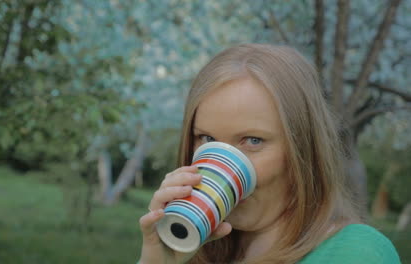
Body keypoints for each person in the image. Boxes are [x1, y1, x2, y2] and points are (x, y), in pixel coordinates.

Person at [138, 44, 401, 263]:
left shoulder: (355, 253)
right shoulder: (200, 252)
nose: (222, 166)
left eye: (253, 140)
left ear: (302, 152)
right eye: (207, 139)